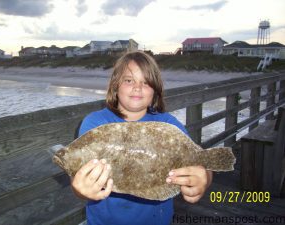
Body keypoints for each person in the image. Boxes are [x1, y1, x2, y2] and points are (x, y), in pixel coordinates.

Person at [71, 51, 213, 225]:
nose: (137, 87)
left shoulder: (168, 124)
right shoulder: (94, 123)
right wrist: (80, 190)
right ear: (116, 85)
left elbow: (200, 161)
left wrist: (203, 178)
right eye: (129, 80)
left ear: (155, 89)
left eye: (145, 82)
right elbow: (80, 178)